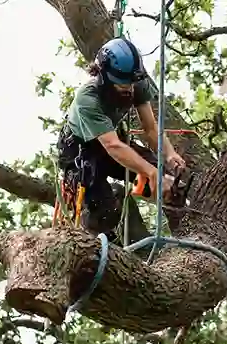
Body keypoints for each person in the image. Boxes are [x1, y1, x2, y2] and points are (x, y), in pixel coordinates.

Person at [57, 37, 186, 238]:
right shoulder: (88, 99)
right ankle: (89, 236)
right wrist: (151, 174)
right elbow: (113, 146)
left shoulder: (136, 82)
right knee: (106, 211)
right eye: (123, 84)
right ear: (103, 77)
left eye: (132, 83)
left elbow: (150, 129)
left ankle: (184, 232)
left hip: (113, 144)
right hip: (81, 154)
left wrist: (169, 154)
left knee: (169, 179)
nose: (130, 89)